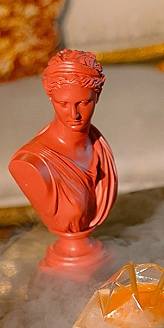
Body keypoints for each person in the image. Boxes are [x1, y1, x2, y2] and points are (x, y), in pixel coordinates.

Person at [9, 49, 118, 272]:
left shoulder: (98, 144)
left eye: (83, 103)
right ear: (51, 98)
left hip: (98, 256)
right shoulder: (31, 163)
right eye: (63, 104)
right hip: (65, 268)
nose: (74, 114)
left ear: (97, 96)